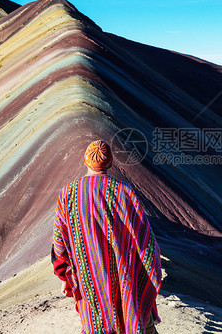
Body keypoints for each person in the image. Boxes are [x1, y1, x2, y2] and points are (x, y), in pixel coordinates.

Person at [52, 139, 162, 334]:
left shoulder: (68, 194)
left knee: (97, 324)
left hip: (89, 280)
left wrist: (64, 278)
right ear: (110, 164)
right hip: (126, 279)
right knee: (133, 318)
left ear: (85, 162)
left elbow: (59, 243)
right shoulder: (125, 192)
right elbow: (147, 243)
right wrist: (146, 276)